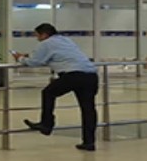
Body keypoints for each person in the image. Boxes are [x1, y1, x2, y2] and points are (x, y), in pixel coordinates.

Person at [15, 23, 100, 151]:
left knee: (48, 93)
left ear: (44, 34)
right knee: (88, 109)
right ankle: (89, 142)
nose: (37, 39)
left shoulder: (46, 43)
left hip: (73, 74)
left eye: (37, 36)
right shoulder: (66, 40)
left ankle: (46, 124)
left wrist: (20, 58)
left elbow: (34, 62)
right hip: (91, 75)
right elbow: (60, 55)